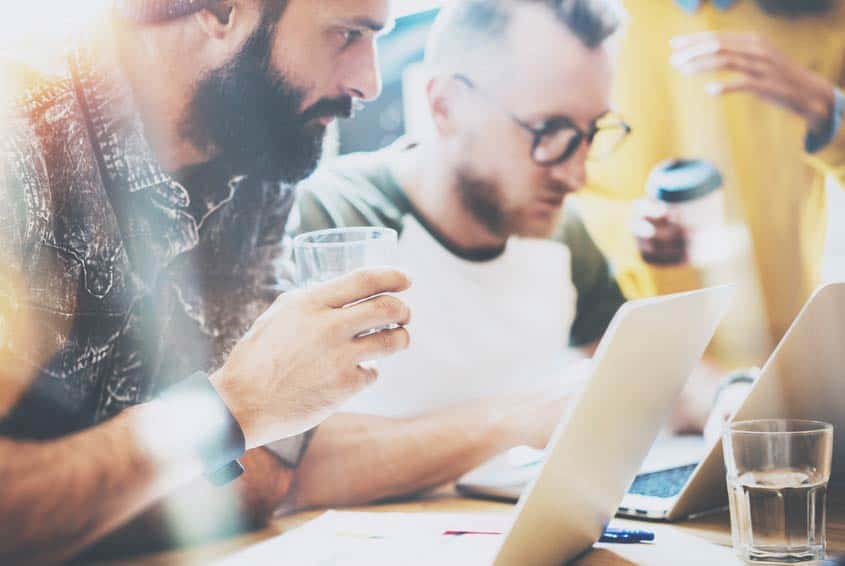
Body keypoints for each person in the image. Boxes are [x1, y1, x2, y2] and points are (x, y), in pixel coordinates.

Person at [0, 0, 413, 563]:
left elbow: (258, 479)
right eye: (344, 36)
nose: (369, 82)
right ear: (220, 11)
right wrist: (230, 408)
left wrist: (65, 500)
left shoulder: (265, 149)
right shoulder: (18, 135)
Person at [285, 0, 723, 510]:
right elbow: (287, 468)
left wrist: (728, 397)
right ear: (444, 105)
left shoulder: (558, 227)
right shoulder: (328, 220)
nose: (575, 175)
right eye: (548, 132)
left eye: (591, 134)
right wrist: (522, 419)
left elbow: (657, 370)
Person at [576, 0, 845, 368]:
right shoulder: (590, 12)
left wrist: (829, 110)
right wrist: (628, 228)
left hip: (786, 350)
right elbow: (548, 178)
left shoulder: (832, 16)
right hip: (635, 347)